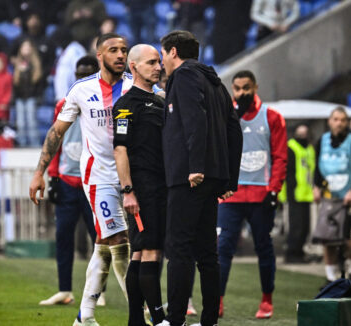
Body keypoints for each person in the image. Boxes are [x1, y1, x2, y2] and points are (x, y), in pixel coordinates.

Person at [29, 33, 132, 326]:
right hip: (97, 176)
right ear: (100, 55)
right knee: (119, 240)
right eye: (113, 50)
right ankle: (142, 312)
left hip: (130, 176)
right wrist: (39, 173)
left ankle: (84, 316)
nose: (120, 55)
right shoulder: (81, 90)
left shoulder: (136, 87)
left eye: (124, 50)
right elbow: (55, 133)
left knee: (103, 242)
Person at [158, 30, 242, 326]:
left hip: (189, 177)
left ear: (173, 52)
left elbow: (194, 119)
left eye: (162, 54)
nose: (161, 61)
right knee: (207, 252)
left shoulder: (183, 77)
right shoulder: (216, 82)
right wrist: (230, 179)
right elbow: (234, 129)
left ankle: (175, 318)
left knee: (179, 248)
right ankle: (208, 321)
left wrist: (195, 166)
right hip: (214, 177)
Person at [217, 70, 287, 319]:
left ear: (255, 87)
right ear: (232, 89)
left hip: (260, 197)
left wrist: (274, 189)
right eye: (237, 88)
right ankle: (218, 301)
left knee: (264, 248)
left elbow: (280, 156)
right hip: (230, 197)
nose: (242, 93)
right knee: (222, 248)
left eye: (246, 87)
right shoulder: (225, 117)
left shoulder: (272, 117)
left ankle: (267, 301)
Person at [112, 44, 166, 326]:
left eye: (159, 61)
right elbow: (120, 150)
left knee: (140, 252)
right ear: (134, 67)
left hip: (161, 185)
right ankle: (158, 319)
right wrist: (128, 191)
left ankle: (135, 320)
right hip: (143, 188)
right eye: (151, 62)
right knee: (150, 250)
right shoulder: (125, 105)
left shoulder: (159, 101)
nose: (158, 67)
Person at [39, 55, 99, 306]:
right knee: (63, 236)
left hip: (93, 180)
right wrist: (51, 176)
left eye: (87, 73)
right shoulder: (64, 102)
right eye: (78, 74)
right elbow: (56, 140)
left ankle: (99, 292)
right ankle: (65, 290)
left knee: (100, 239)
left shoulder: (103, 103)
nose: (82, 78)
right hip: (66, 180)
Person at [312, 107, 351, 282]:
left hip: (348, 196)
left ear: (347, 122)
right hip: (329, 195)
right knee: (326, 237)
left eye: (342, 120)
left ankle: (350, 270)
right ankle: (330, 277)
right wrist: (316, 186)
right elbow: (317, 165)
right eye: (336, 119)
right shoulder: (322, 140)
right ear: (330, 121)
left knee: (348, 238)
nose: (339, 123)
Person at [282, 124, 315, 263]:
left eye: (305, 132)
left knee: (305, 226)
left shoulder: (309, 149)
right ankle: (292, 254)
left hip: (307, 193)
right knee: (296, 226)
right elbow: (287, 172)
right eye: (300, 133)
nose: (303, 136)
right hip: (294, 193)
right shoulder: (291, 147)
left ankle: (300, 252)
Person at [12, 39, 42, 147]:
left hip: (31, 97)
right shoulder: (18, 65)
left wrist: (27, 71)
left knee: (31, 122)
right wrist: (20, 72)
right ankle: (22, 143)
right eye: (24, 47)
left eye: (28, 47)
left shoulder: (35, 64)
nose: (26, 50)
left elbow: (37, 82)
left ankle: (35, 144)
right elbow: (15, 84)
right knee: (20, 123)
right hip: (20, 97)